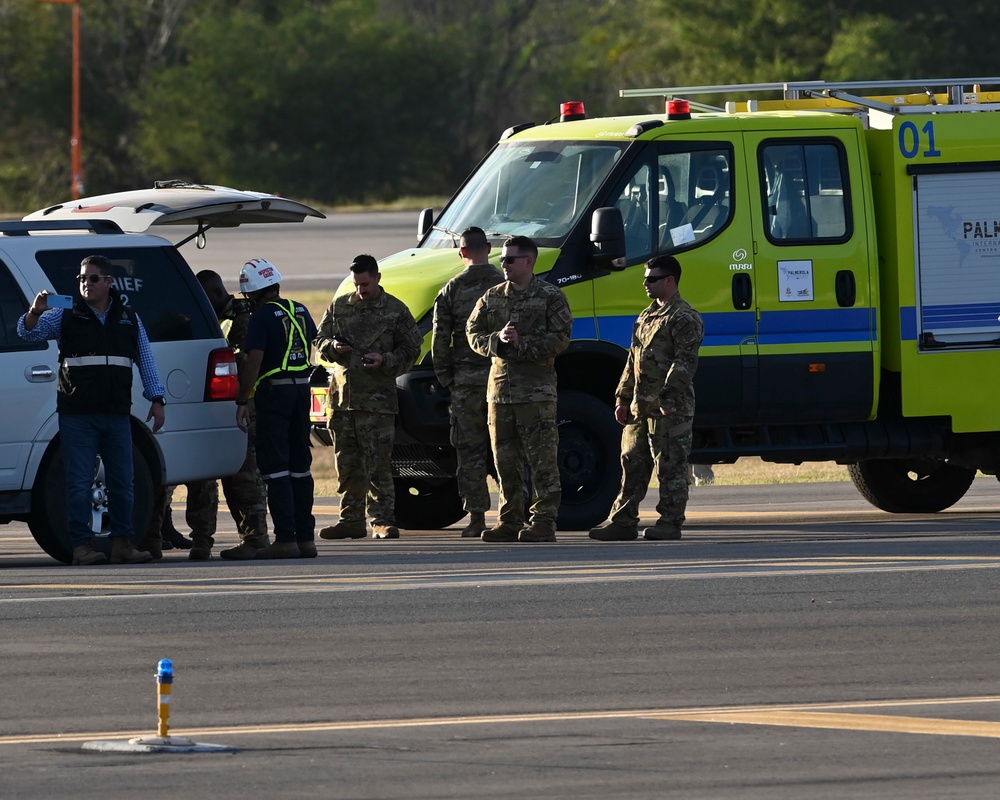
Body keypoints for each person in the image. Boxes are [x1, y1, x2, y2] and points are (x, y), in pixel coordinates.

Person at [17, 254, 163, 565]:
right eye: (82, 279)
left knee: (124, 480)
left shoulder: (128, 317)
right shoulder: (65, 314)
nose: (86, 284)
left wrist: (157, 398)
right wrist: (35, 311)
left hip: (117, 414)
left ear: (109, 282)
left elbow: (146, 360)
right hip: (77, 415)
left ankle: (124, 542)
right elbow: (27, 333)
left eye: (93, 278)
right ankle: (82, 546)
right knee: (79, 482)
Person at [589, 254, 704, 542]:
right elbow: (633, 360)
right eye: (645, 278)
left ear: (669, 280)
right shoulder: (646, 316)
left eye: (652, 279)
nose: (646, 284)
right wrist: (622, 398)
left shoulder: (684, 318)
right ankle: (623, 521)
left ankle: (670, 522)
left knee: (670, 466)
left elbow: (685, 363)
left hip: (669, 408)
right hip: (641, 407)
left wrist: (667, 398)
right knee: (631, 463)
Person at [466, 235, 573, 543]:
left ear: (528, 262)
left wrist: (522, 344)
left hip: (536, 393)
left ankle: (543, 520)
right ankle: (509, 519)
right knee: (505, 461)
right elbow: (472, 332)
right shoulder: (492, 297)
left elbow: (562, 337)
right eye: (503, 260)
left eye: (510, 260)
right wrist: (497, 341)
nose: (504, 265)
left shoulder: (551, 296)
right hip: (500, 393)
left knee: (542, 461)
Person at [314, 254, 421, 540]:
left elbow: (412, 350)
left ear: (377, 278)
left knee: (378, 464)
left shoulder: (396, 311)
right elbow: (319, 340)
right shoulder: (340, 306)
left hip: (377, 403)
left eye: (365, 284)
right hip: (343, 400)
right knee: (347, 464)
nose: (361, 290)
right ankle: (350, 520)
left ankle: (382, 520)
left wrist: (385, 360)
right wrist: (333, 347)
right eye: (357, 284)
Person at [175, 269, 272, 561]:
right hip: (214, 410)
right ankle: (201, 540)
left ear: (218, 294)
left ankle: (255, 538)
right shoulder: (213, 319)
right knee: (202, 478)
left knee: (243, 477)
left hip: (241, 409)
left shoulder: (242, 321)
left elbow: (247, 364)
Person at [235, 258, 317, 558]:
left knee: (276, 468)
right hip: (301, 391)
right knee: (300, 466)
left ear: (252, 293)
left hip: (274, 395)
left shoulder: (261, 317)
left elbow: (255, 359)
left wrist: (242, 399)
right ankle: (306, 539)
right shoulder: (300, 309)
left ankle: (285, 539)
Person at [431, 227, 504, 537]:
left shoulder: (451, 289)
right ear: (488, 248)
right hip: (504, 379)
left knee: (470, 451)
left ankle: (476, 517)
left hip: (466, 382)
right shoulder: (506, 284)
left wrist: (447, 378)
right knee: (508, 448)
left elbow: (439, 340)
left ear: (461, 253)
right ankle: (515, 510)